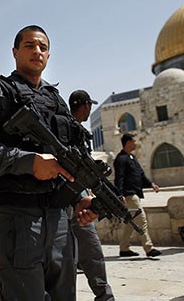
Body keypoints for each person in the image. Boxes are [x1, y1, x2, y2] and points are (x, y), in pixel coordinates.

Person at [0, 25, 97, 300]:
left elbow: (72, 154)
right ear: (14, 52)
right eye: (30, 46)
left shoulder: (55, 100)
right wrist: (28, 162)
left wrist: (81, 195)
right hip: (16, 218)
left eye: (43, 47)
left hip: (59, 220)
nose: (38, 52)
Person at [68, 89, 115, 301]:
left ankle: (104, 297)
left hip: (79, 199)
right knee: (84, 255)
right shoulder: (69, 130)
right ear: (86, 105)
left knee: (89, 252)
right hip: (67, 204)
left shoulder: (79, 132)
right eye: (89, 106)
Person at [113, 133, 162, 258]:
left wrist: (151, 184)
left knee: (130, 223)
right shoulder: (121, 159)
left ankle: (124, 249)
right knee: (141, 220)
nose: (135, 143)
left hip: (135, 193)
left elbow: (140, 175)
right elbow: (119, 178)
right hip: (129, 195)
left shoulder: (132, 158)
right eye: (134, 141)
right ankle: (149, 248)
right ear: (128, 142)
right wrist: (120, 194)